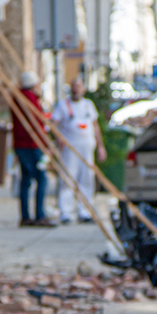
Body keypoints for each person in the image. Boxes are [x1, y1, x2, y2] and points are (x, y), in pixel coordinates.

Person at [50, 76, 106, 223]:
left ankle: (85, 211)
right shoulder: (63, 105)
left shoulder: (88, 105)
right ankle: (66, 212)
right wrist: (58, 140)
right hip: (70, 149)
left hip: (87, 148)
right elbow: (53, 124)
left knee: (87, 178)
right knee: (68, 178)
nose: (76, 89)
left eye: (79, 86)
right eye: (74, 86)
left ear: (83, 89)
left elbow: (95, 126)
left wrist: (100, 147)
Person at [12, 71, 53, 226]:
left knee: (26, 181)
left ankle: (25, 216)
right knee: (41, 179)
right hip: (31, 145)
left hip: (21, 145)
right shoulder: (29, 98)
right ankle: (40, 215)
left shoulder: (18, 97)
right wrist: (46, 143)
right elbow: (36, 123)